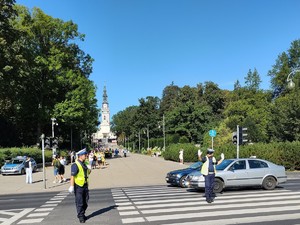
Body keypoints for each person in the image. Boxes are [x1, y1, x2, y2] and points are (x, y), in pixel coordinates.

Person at [69, 149, 91, 223]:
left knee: (86, 201)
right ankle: (81, 216)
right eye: (85, 155)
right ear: (80, 156)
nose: (86, 156)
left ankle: (81, 213)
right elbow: (72, 176)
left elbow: (88, 172)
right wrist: (71, 186)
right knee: (80, 202)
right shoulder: (75, 165)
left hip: (85, 185)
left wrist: (89, 168)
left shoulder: (85, 163)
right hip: (78, 186)